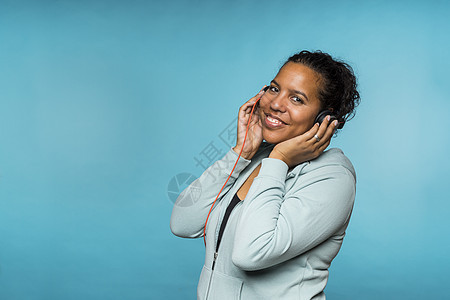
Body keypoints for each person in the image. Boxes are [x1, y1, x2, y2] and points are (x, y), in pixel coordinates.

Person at [170, 50, 360, 300]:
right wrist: (240, 153)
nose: (276, 104)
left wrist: (279, 161)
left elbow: (250, 253)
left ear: (325, 117)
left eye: (297, 99)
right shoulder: (256, 157)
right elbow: (182, 223)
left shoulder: (333, 177)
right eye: (273, 89)